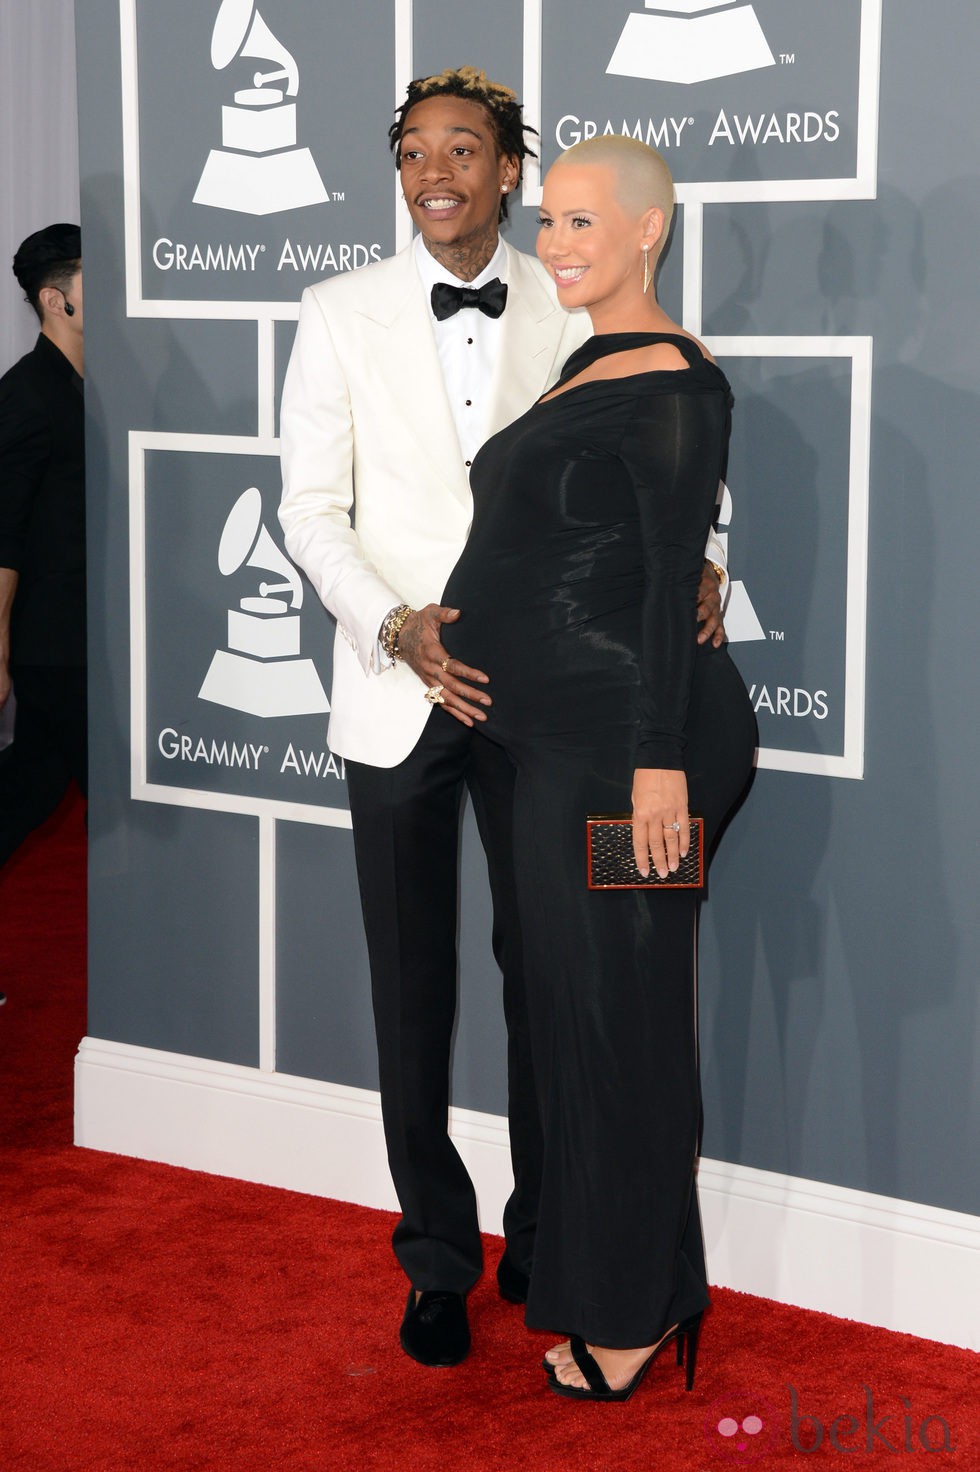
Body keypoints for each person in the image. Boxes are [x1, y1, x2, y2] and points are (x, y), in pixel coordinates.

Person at [279, 68, 729, 1368]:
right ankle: (434, 1256)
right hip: (399, 694)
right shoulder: (339, 312)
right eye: (413, 149)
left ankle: (546, 1230)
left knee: (550, 981)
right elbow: (309, 511)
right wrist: (400, 629)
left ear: (511, 171)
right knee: (413, 994)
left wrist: (698, 571)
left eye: (463, 150)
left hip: (553, 704)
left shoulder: (575, 299)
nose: (435, 173)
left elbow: (660, 460)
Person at [441, 135, 757, 1400]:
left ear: (648, 229)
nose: (558, 242)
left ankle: (634, 1310)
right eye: (550, 221)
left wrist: (657, 766)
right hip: (556, 755)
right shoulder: (582, 365)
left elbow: (675, 551)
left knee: (619, 1024)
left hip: (634, 761)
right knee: (575, 1026)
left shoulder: (677, 383)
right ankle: (594, 1278)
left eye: (583, 221)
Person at [0, 224, 86, 925]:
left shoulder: (98, 386)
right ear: (57, 299)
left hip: (94, 630)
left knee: (35, 781)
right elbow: (3, 536)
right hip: (50, 640)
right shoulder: (28, 395)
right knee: (37, 784)